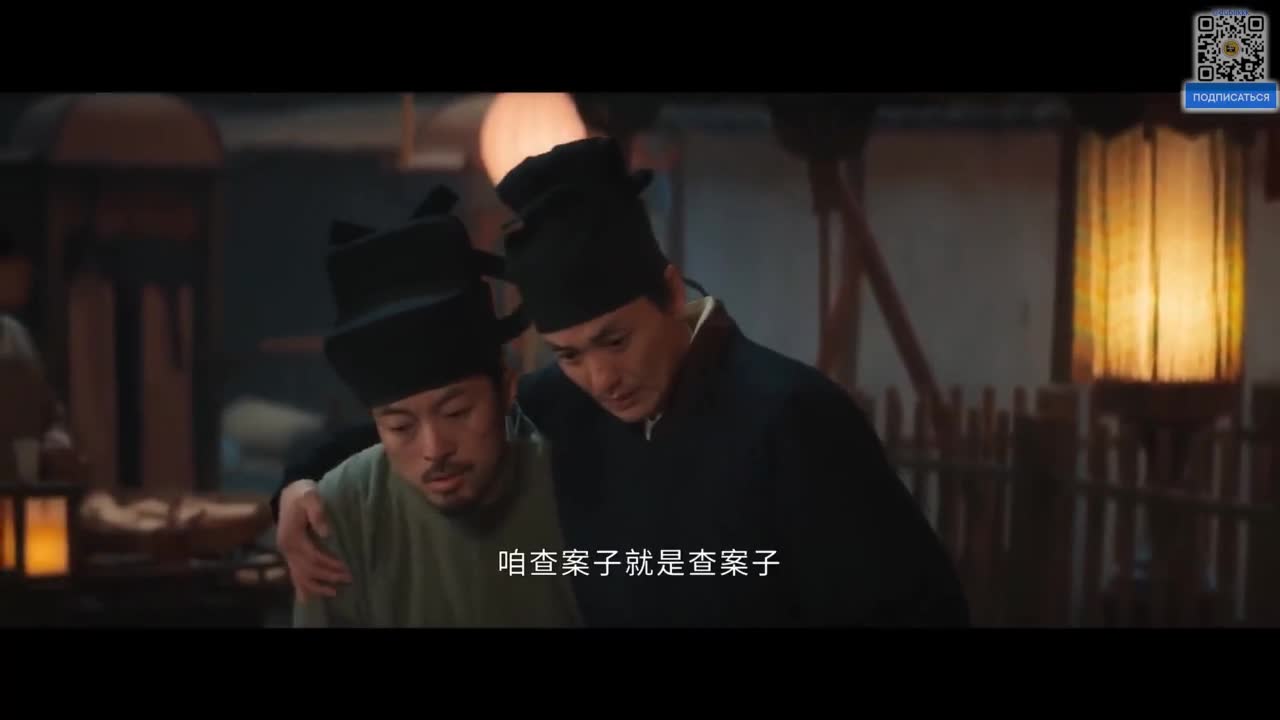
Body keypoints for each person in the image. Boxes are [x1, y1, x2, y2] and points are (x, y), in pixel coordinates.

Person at [275, 138, 969, 627]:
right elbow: (428, 424)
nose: (602, 378)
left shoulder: (791, 418)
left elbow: (916, 609)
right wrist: (300, 491)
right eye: (569, 353)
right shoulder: (566, 405)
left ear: (669, 292)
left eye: (616, 340)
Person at [289, 186, 580, 628]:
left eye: (457, 412)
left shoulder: (573, 488)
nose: (435, 449)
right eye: (401, 427)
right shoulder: (344, 509)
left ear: (506, 389)